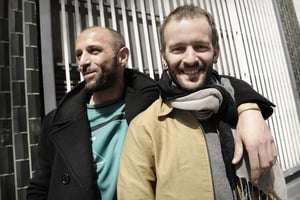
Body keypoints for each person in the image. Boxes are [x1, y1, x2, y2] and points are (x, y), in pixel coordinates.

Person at [27, 26, 275, 200]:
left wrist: (249, 108)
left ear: (122, 56)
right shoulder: (57, 121)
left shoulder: (152, 99)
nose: (83, 61)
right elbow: (40, 186)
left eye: (94, 51)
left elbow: (209, 84)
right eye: (79, 54)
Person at [117, 5, 281, 199]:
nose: (190, 59)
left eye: (200, 47)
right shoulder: (145, 128)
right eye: (178, 49)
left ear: (216, 52)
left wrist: (249, 108)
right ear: (164, 57)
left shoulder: (243, 109)